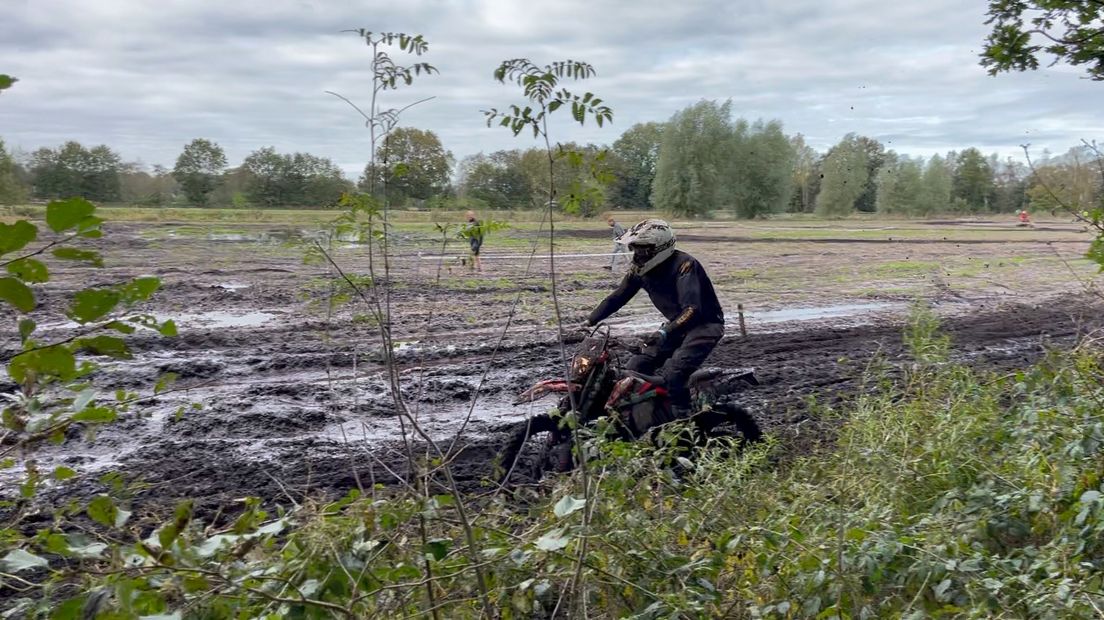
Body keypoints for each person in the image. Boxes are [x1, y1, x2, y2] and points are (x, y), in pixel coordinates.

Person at [584, 219, 725, 417]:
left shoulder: (685, 265)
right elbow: (617, 297)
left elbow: (691, 310)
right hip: (675, 326)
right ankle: (648, 414)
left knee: (674, 372)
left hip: (705, 325)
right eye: (635, 249)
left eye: (643, 250)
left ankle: (684, 421)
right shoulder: (639, 271)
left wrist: (663, 332)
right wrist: (589, 321)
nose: (638, 255)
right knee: (634, 367)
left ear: (660, 247)